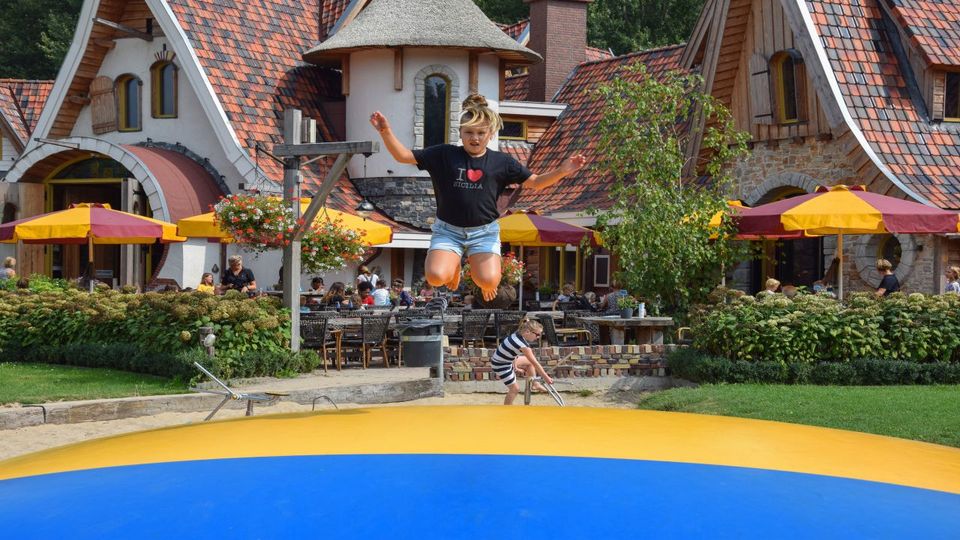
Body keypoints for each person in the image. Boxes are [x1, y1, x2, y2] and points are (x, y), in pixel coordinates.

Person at [371, 94, 587, 302]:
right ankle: (454, 264)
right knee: (436, 278)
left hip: (484, 232)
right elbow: (403, 156)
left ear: (490, 134)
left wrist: (562, 171)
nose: (474, 138)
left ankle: (473, 270)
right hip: (448, 231)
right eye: (469, 132)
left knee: (489, 281)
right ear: (460, 133)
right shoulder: (445, 155)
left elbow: (536, 182)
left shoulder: (502, 162)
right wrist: (385, 131)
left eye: (481, 133)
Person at [489, 318, 554, 405]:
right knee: (514, 389)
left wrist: (515, 366)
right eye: (537, 334)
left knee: (529, 363)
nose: (538, 337)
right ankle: (506, 410)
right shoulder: (523, 345)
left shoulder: (519, 332)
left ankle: (535, 384)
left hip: (504, 359)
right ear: (527, 332)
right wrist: (546, 377)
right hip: (500, 365)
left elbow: (513, 353)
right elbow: (535, 363)